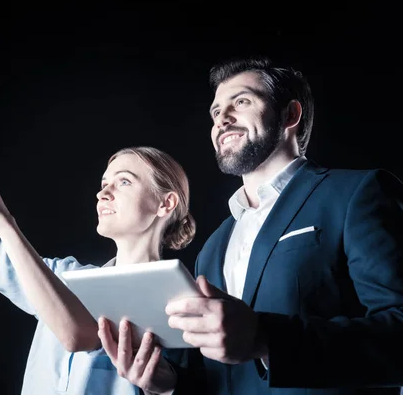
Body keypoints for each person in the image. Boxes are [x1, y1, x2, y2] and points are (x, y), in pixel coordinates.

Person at [0, 92, 196, 395]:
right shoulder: (63, 278)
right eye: (104, 184)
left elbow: (77, 336)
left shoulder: (180, 302)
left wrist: (2, 219)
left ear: (165, 204)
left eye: (124, 181)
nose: (103, 193)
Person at [159, 56, 402, 394]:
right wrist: (166, 383)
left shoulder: (356, 195)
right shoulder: (213, 247)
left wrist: (267, 339)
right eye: (215, 112)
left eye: (241, 101)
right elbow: (217, 378)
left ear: (290, 115)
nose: (222, 119)